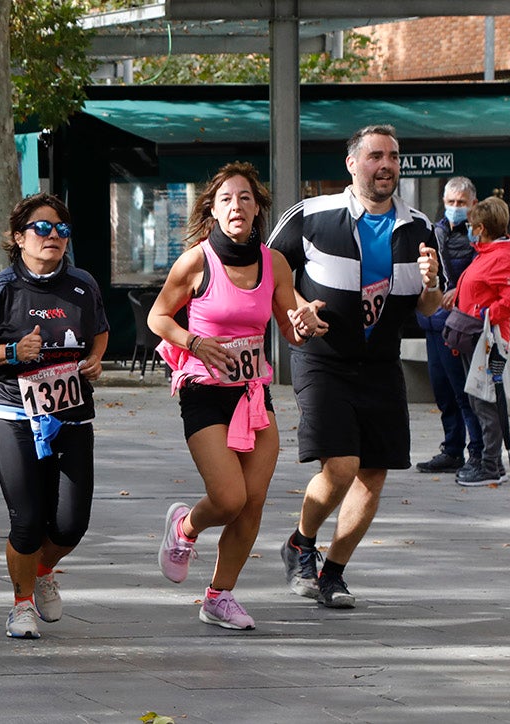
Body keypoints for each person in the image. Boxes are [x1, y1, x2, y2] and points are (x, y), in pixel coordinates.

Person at [268, 124, 441, 609]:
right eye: (375, 156)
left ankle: (333, 573)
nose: (386, 165)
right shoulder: (312, 214)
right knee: (341, 465)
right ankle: (301, 540)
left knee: (373, 474)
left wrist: (430, 285)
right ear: (352, 164)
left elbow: (429, 308)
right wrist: (297, 306)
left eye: (393, 156)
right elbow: (269, 273)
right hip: (323, 360)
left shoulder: (420, 227)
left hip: (381, 364)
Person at [149, 163, 328, 630]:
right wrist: (193, 342)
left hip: (252, 394)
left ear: (257, 209)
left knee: (253, 504)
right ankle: (184, 527)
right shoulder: (196, 261)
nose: (236, 206)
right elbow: (158, 317)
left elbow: (291, 327)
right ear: (212, 209)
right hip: (204, 392)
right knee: (228, 498)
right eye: (227, 198)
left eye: (245, 198)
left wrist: (305, 323)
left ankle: (219, 596)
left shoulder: (275, 264)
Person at [0, 193, 109, 639]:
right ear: (18, 237)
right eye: (42, 228)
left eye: (61, 230)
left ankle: (43, 569)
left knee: (70, 525)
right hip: (11, 411)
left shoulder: (83, 285)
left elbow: (99, 333)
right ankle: (21, 604)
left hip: (71, 413)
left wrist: (96, 361)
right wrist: (11, 351)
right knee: (27, 520)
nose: (53, 237)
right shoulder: (2, 289)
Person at [449, 196, 510, 487]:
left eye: (471, 226)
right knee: (479, 398)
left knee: (485, 401)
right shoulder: (489, 251)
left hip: (488, 340)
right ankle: (489, 462)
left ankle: (491, 466)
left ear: (481, 227)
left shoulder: (501, 256)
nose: (469, 230)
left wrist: (483, 314)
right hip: (478, 337)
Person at [414, 177, 483, 477]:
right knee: (442, 391)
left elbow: (486, 274)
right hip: (432, 323)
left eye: (461, 203)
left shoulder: (479, 237)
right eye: (450, 203)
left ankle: (478, 452)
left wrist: (461, 289)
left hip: (460, 326)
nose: (455, 208)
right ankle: (452, 449)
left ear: (473, 204)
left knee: (463, 393)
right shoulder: (434, 231)